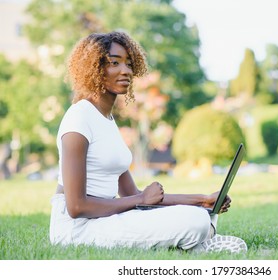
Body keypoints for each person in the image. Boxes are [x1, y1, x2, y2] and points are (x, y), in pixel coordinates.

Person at [50, 31, 247, 253]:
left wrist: (202, 200)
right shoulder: (80, 117)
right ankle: (197, 244)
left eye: (129, 63)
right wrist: (142, 198)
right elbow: (77, 207)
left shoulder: (106, 120)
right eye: (114, 63)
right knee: (195, 221)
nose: (126, 71)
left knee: (201, 214)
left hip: (104, 218)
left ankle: (195, 239)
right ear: (93, 68)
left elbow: (133, 195)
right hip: (76, 229)